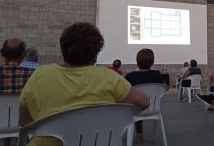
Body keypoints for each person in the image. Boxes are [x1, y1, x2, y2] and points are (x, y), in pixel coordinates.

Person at [19, 22, 150, 146]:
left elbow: (24, 123)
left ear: (63, 48)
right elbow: (143, 102)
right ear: (95, 54)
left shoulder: (40, 75)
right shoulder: (108, 77)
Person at [125, 48, 164, 143]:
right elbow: (163, 88)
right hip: (154, 108)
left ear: (137, 60)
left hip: (136, 109)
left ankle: (138, 133)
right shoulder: (157, 74)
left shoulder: (130, 76)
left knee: (134, 103)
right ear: (152, 61)